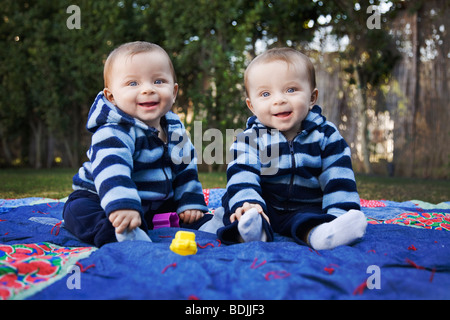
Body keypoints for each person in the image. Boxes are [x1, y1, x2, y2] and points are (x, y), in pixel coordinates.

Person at [63, 41, 212, 247]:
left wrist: (190, 203)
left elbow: (185, 169)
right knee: (79, 211)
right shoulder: (113, 130)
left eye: (159, 81)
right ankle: (120, 232)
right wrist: (122, 204)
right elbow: (112, 169)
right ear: (111, 97)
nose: (148, 89)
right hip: (101, 194)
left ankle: (216, 225)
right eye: (133, 83)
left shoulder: (175, 129)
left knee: (188, 213)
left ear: (174, 91)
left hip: (153, 202)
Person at [217, 47, 367, 250]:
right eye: (266, 93)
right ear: (251, 106)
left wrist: (339, 215)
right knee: (235, 205)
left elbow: (338, 178)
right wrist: (249, 203)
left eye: (291, 90)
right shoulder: (250, 139)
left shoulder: (325, 135)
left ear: (312, 97)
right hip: (264, 205)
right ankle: (252, 231)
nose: (279, 100)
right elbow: (242, 174)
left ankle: (322, 235)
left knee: (309, 220)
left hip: (305, 207)